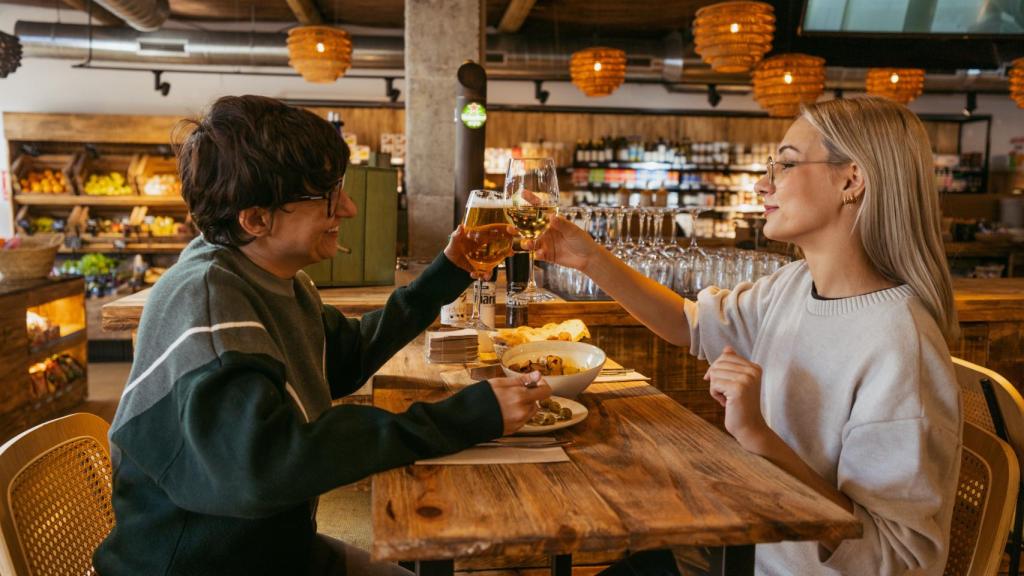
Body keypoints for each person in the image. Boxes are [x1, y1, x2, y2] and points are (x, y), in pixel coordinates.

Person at [93, 95, 549, 576]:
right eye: (329, 198)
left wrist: (448, 272)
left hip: (274, 551)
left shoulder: (265, 277)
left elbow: (343, 359)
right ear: (255, 218)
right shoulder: (207, 303)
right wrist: (464, 416)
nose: (348, 208)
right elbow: (265, 468)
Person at [532, 96, 962, 575]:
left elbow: (899, 561)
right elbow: (687, 323)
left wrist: (759, 437)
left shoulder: (900, 347)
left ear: (852, 179)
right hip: (746, 546)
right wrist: (590, 258)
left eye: (786, 165)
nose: (763, 183)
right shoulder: (795, 286)